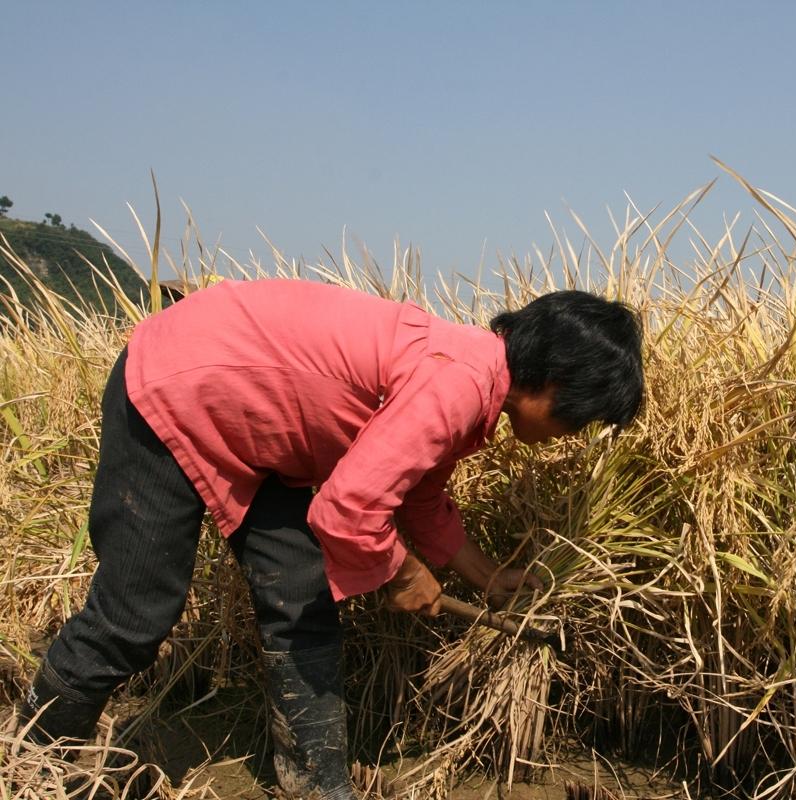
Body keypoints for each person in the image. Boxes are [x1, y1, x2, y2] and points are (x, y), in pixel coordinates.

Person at [18, 278, 644, 799]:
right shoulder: (459, 379)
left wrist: (487, 578)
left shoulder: (473, 375)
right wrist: (402, 573)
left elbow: (418, 494)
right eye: (581, 417)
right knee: (136, 613)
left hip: (261, 434)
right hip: (177, 386)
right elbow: (349, 507)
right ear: (554, 381)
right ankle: (30, 760)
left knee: (301, 597)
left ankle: (316, 784)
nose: (575, 434)